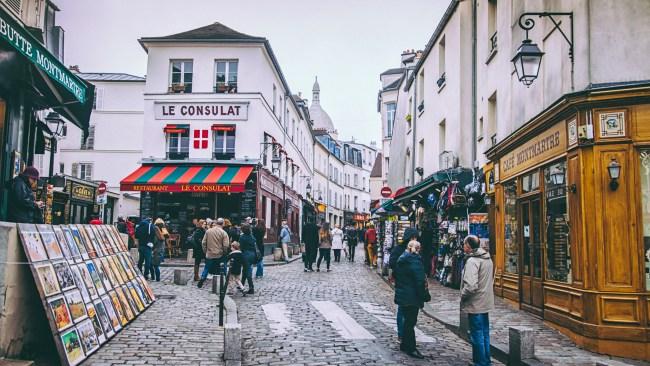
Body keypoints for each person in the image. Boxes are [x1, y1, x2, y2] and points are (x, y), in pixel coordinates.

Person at [461, 235, 495, 366]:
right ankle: (486, 361)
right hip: (485, 301)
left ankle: (480, 363)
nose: (463, 247)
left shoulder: (472, 261)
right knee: (485, 333)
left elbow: (470, 286)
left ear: (468, 246)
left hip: (475, 303)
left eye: (464, 244)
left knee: (477, 335)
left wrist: (463, 296)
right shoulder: (487, 258)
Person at [394, 240, 427, 359]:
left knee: (407, 320)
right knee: (410, 322)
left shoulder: (402, 258)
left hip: (403, 293)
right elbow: (420, 281)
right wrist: (424, 295)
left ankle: (404, 344)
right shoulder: (415, 260)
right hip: (411, 295)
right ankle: (411, 347)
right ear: (418, 249)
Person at [389, 227, 419, 342]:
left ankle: (406, 334)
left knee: (408, 311)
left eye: (416, 237)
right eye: (413, 237)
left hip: (410, 284)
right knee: (402, 309)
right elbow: (392, 263)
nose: (415, 239)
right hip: (402, 283)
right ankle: (402, 334)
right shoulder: (400, 249)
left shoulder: (415, 249)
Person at [198, 218, 231, 288]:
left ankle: (202, 279)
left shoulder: (208, 231)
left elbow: (203, 243)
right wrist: (224, 253)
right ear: (223, 224)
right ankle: (225, 280)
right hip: (219, 254)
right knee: (223, 267)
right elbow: (226, 245)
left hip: (209, 253)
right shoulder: (223, 233)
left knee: (206, 268)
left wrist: (205, 251)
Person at [239, 224, 258, 294]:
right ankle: (241, 285)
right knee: (245, 270)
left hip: (246, 255)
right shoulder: (252, 236)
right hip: (252, 254)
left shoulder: (242, 237)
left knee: (247, 271)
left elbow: (241, 247)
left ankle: (251, 287)